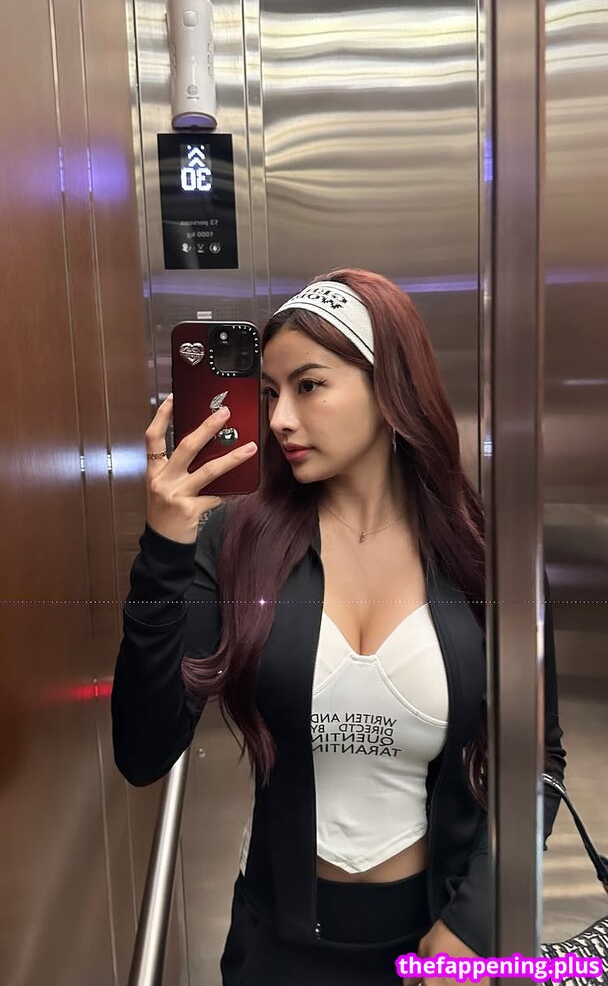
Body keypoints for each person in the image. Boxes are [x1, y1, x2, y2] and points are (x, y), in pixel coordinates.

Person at [111, 269, 566, 986]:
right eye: (270, 393)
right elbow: (143, 749)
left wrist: (474, 923)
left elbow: (537, 758)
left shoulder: (489, 554)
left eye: (309, 385)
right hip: (275, 946)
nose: (280, 419)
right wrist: (164, 550)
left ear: (391, 389)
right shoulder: (236, 540)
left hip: (439, 944)